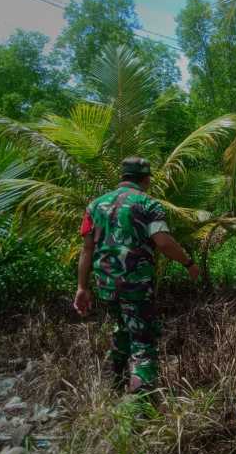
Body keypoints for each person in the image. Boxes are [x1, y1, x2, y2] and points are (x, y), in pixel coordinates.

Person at [73, 157, 200, 393]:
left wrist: (82, 287)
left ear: (123, 177)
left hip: (106, 285)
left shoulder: (95, 206)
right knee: (143, 340)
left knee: (121, 329)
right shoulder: (148, 204)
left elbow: (87, 249)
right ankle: (141, 407)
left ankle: (113, 386)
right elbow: (163, 242)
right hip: (136, 286)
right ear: (146, 179)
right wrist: (188, 262)